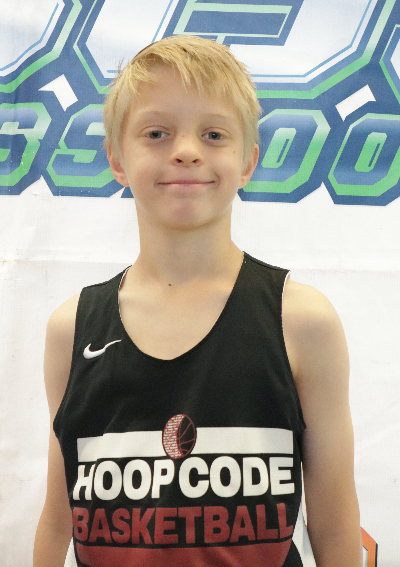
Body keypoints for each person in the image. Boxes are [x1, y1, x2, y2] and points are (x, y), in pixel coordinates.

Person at [34, 35, 363, 567]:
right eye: (156, 133)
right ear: (116, 159)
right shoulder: (71, 329)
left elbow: (336, 525)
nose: (186, 151)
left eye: (213, 134)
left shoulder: (302, 321)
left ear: (247, 161)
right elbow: (59, 516)